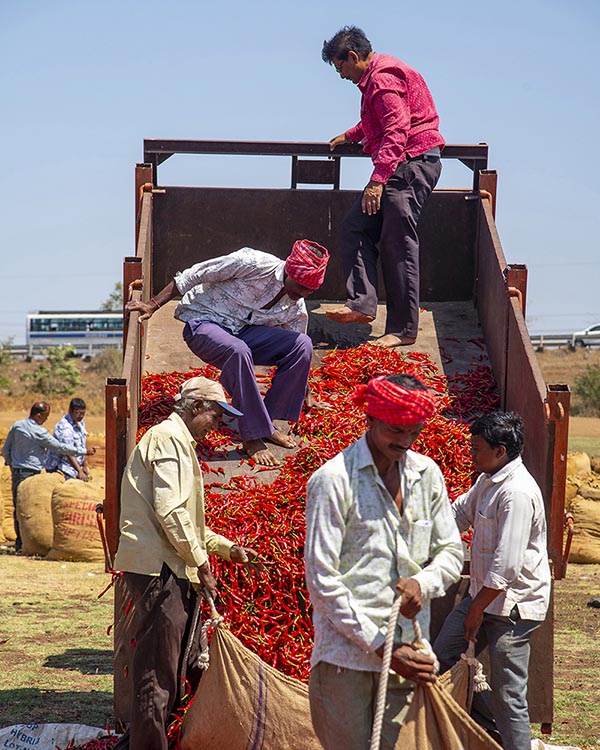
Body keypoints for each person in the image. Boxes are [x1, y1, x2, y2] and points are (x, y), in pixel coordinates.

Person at [304, 373, 463, 750]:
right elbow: (322, 580)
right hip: (348, 660)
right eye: (396, 430)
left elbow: (451, 552)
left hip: (409, 654)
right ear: (370, 420)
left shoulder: (427, 476)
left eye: (414, 433)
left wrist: (421, 583)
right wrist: (384, 648)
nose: (405, 443)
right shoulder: (333, 481)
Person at [113, 376, 259, 750]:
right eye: (215, 414)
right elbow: (171, 513)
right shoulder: (167, 439)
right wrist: (202, 563)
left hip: (170, 566)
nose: (217, 424)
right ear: (196, 408)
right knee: (157, 670)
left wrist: (229, 550)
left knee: (170, 667)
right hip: (159, 569)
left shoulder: (180, 443)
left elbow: (189, 522)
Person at [126, 239, 330, 467]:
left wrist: (306, 394)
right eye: (301, 287)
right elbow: (195, 274)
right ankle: (251, 436)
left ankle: (266, 423)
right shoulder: (253, 263)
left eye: (310, 291)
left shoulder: (296, 305)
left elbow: (299, 358)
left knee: (302, 344)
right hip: (204, 323)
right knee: (239, 351)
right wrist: (153, 304)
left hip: (242, 332)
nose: (303, 294)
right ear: (289, 271)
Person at [433, 411, 551, 750]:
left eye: (477, 448)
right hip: (482, 594)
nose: (471, 454)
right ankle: (490, 731)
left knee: (509, 692)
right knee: (443, 656)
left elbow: (507, 567)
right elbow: (460, 513)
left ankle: (515, 744)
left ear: (500, 451)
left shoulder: (516, 493)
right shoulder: (488, 478)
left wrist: (476, 610)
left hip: (513, 606)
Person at [321, 26, 444, 348]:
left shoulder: (382, 78)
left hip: (409, 165)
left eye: (340, 67)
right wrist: (352, 135)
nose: (341, 75)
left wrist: (377, 180)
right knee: (355, 227)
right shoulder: (379, 76)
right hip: (401, 166)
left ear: (352, 56)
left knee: (397, 243)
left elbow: (397, 129)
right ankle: (362, 303)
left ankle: (403, 330)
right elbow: (381, 120)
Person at [1, 401, 95, 552]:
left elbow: (6, 450)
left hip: (17, 472)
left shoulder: (17, 425)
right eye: (45, 416)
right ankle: (29, 543)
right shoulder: (39, 432)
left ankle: (20, 543)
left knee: (18, 507)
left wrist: (12, 465)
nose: (46, 419)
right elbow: (59, 447)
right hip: (31, 474)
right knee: (30, 508)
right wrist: (84, 451)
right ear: (38, 415)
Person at [45, 397, 91, 481]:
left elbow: (82, 445)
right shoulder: (64, 427)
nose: (80, 416)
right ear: (70, 410)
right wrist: (79, 471)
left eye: (82, 414)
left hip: (74, 466)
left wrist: (84, 465)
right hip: (61, 466)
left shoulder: (80, 423)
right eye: (77, 413)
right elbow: (67, 451)